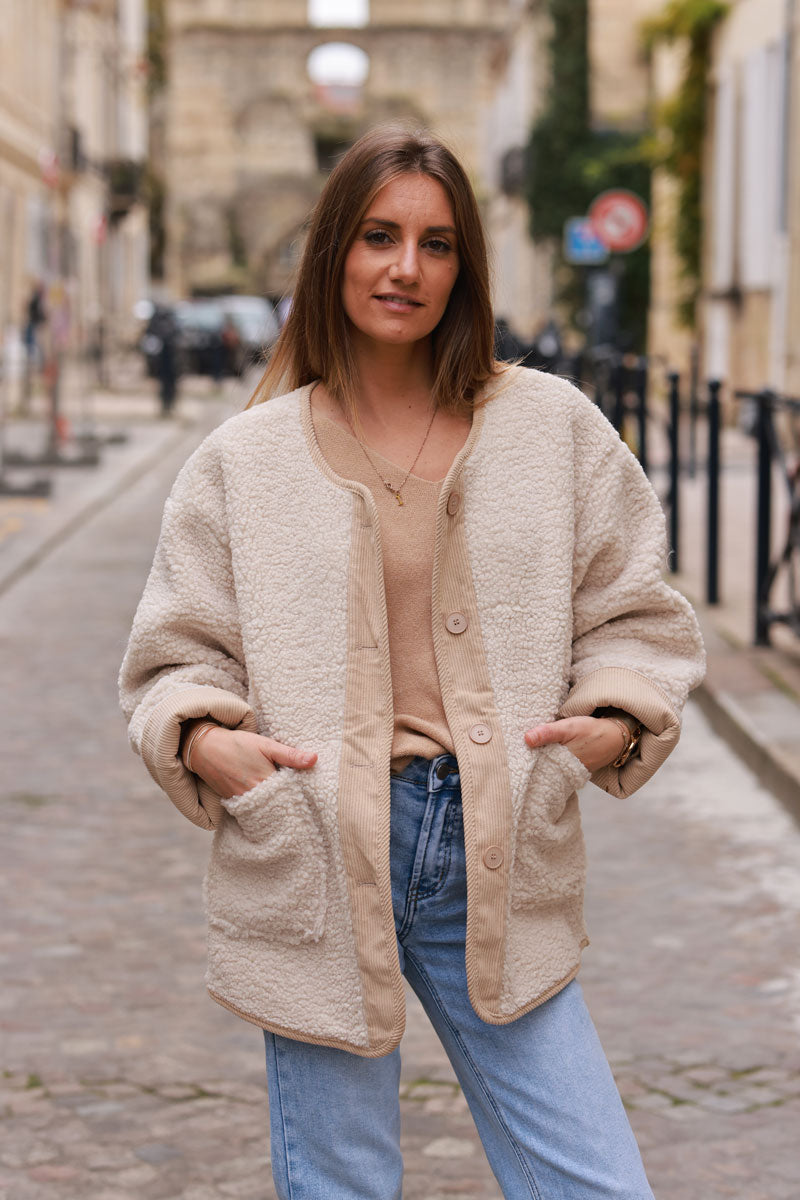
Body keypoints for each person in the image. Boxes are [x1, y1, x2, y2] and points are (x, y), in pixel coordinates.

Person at [119, 125, 704, 1199]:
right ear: (332, 249)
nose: (405, 268)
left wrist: (611, 723)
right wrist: (212, 742)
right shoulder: (241, 461)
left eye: (436, 244)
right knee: (340, 1184)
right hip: (312, 847)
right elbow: (174, 654)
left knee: (594, 1181)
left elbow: (636, 610)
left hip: (495, 842)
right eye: (379, 237)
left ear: (463, 266)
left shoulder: (552, 428)